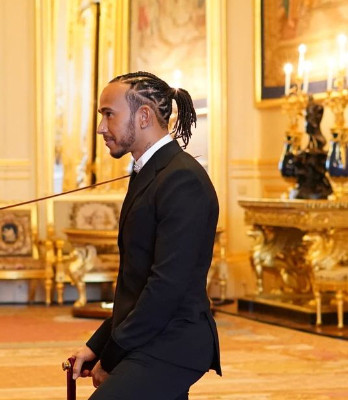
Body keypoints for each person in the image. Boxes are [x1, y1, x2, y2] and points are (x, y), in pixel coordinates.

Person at [70, 71, 221, 399]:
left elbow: (165, 286)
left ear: (143, 116)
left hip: (174, 343)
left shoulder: (182, 179)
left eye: (109, 114)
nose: (101, 127)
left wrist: (112, 355)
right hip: (150, 336)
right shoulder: (151, 172)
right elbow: (135, 285)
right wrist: (97, 344)